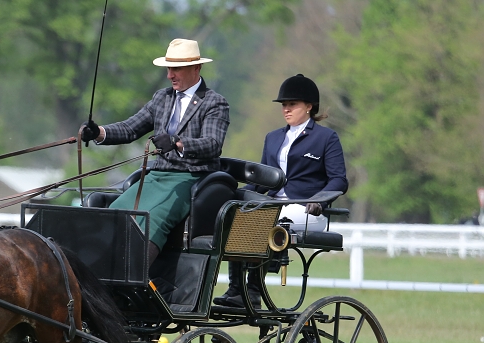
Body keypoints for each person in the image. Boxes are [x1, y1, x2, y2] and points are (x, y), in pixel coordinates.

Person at [80, 38, 229, 264]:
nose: (170, 75)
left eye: (176, 68)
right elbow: (130, 128)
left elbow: (212, 144)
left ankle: (137, 281)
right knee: (116, 211)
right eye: (169, 68)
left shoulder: (214, 103)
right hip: (157, 176)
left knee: (153, 218)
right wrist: (98, 132)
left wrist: (178, 143)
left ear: (196, 67)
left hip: (191, 178)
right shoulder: (162, 97)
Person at [214, 73, 348, 309]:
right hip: (272, 205)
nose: (286, 109)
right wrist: (233, 195)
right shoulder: (273, 138)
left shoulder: (326, 138)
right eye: (284, 105)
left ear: (309, 106)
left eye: (292, 104)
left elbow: (338, 180)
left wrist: (320, 201)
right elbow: (262, 180)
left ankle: (253, 291)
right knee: (235, 215)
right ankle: (236, 289)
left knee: (264, 219)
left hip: (307, 212)